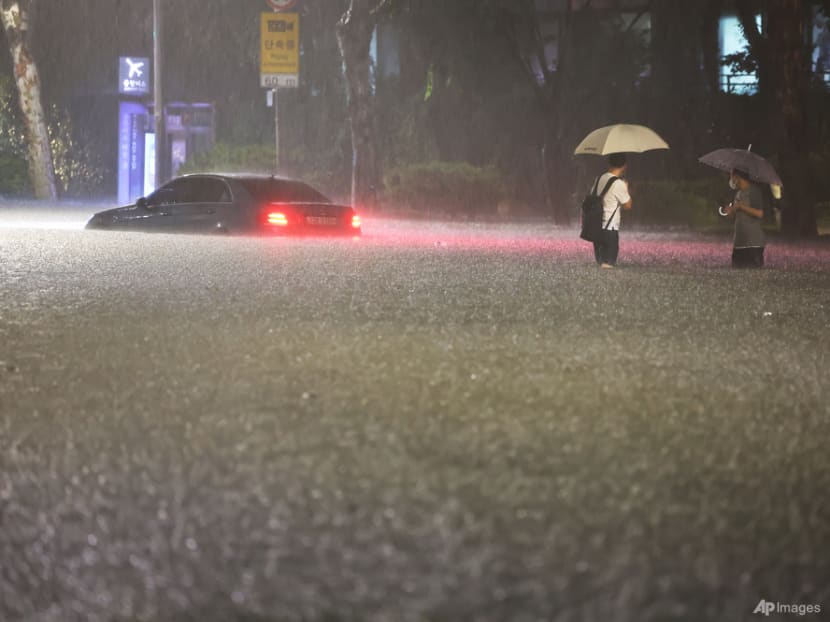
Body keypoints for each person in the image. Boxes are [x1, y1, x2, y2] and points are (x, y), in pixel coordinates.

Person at [593, 153, 632, 268]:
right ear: (624, 166)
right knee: (608, 265)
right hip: (610, 229)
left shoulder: (599, 179)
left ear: (609, 163)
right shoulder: (619, 184)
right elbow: (628, 205)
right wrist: (626, 188)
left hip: (596, 228)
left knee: (600, 264)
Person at [723, 168, 765, 268]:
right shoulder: (738, 194)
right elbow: (736, 216)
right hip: (739, 242)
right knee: (736, 270)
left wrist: (742, 207)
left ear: (737, 177)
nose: (731, 180)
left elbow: (759, 213)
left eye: (731, 176)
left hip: (753, 243)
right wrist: (730, 212)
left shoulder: (754, 191)